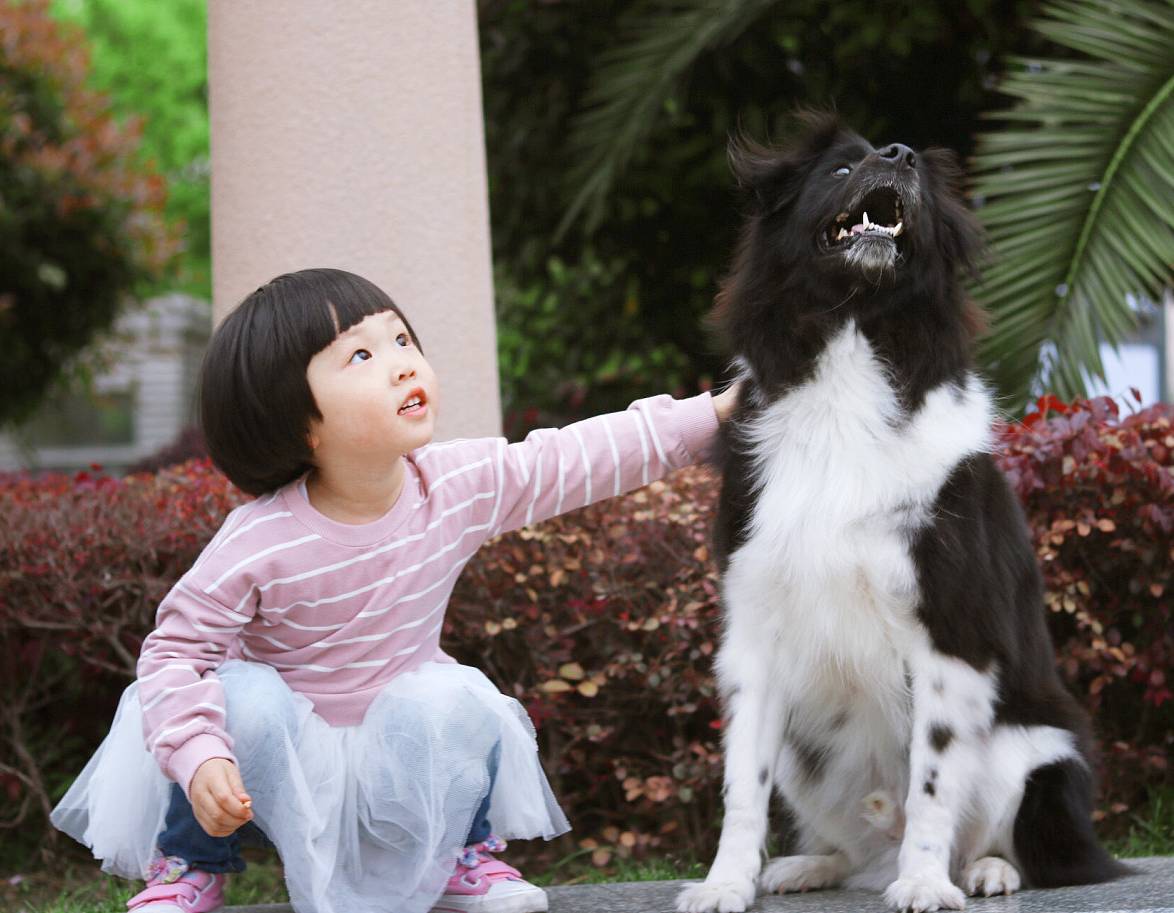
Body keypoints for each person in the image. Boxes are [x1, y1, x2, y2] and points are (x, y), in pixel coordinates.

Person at [51, 268, 735, 913]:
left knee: (456, 697)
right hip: (275, 766)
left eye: (402, 340)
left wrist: (718, 411)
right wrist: (202, 758)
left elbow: (572, 457)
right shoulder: (260, 539)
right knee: (239, 697)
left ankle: (457, 854)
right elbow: (175, 655)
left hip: (392, 757)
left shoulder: (453, 484)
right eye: (360, 357)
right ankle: (190, 863)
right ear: (299, 421)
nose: (403, 363)